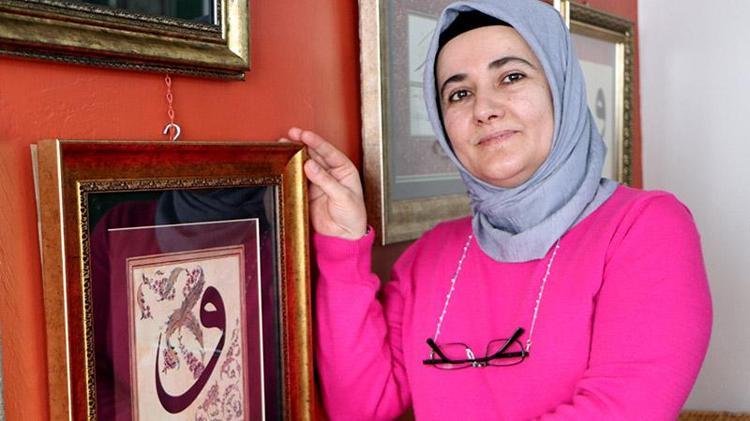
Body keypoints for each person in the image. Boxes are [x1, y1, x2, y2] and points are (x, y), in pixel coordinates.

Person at [282, 0, 712, 419]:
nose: (484, 110)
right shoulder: (429, 256)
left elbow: (625, 409)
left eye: (511, 77)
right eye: (459, 93)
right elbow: (362, 408)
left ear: (560, 87)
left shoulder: (645, 227)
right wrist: (343, 249)